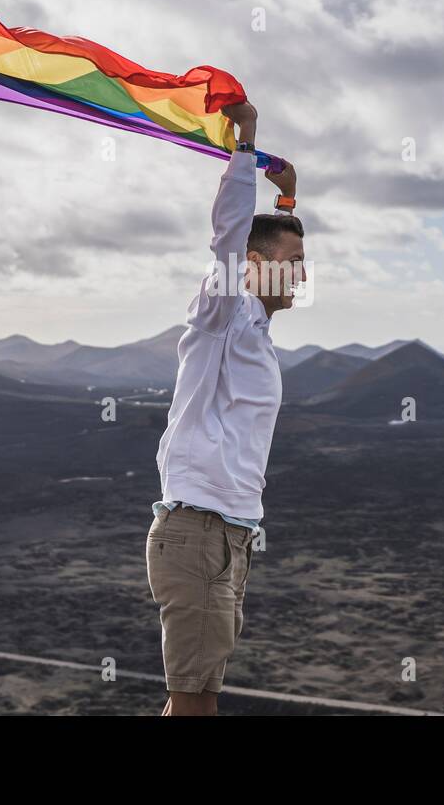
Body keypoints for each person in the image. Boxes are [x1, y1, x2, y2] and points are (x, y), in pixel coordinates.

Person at [146, 100, 304, 716]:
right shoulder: (221, 317)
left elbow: (266, 242)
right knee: (194, 703)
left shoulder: (256, 331)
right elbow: (229, 243)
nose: (303, 278)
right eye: (293, 267)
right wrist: (247, 142)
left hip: (231, 535)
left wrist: (288, 203)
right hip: (198, 531)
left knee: (198, 697)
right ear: (256, 267)